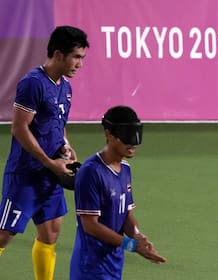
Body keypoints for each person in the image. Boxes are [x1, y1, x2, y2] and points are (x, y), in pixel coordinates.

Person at [0, 26, 89, 280]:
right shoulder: (32, 83)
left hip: (51, 174)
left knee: (50, 233)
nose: (80, 64)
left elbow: (57, 126)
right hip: (25, 174)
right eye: (76, 57)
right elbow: (19, 128)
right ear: (58, 54)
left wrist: (66, 146)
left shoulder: (66, 88)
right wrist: (49, 162)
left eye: (82, 58)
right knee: (5, 233)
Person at [69, 105, 167, 280]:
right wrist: (130, 245)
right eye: (126, 136)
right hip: (90, 267)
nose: (133, 143)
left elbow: (126, 213)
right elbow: (90, 225)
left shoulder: (125, 170)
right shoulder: (91, 172)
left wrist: (137, 236)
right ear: (109, 134)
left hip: (113, 264)